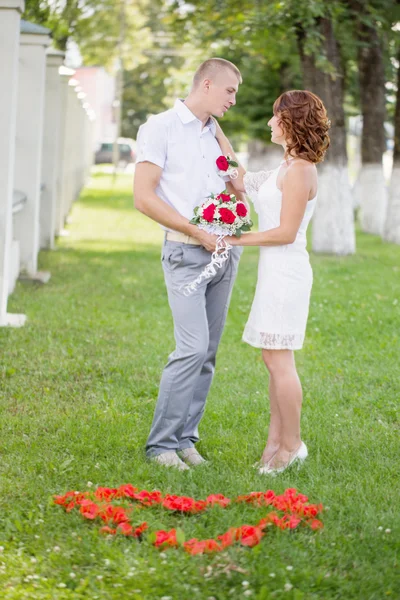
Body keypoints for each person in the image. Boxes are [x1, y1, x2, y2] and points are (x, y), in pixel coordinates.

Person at [134, 58, 243, 470]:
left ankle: (185, 438)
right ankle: (161, 445)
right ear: (208, 84)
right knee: (191, 348)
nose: (234, 99)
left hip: (224, 253)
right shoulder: (160, 127)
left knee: (208, 353)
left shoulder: (213, 130)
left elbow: (236, 181)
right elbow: (144, 198)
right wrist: (198, 232)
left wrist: (237, 193)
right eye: (230, 91)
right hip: (185, 251)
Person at [214, 90, 330, 474]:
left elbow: (285, 232)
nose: (269, 122)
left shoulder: (301, 171)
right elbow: (243, 181)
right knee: (271, 358)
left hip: (288, 273)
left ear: (291, 121)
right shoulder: (285, 167)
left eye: (275, 116)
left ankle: (292, 446)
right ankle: (274, 442)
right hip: (273, 273)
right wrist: (217, 134)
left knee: (280, 362)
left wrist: (234, 239)